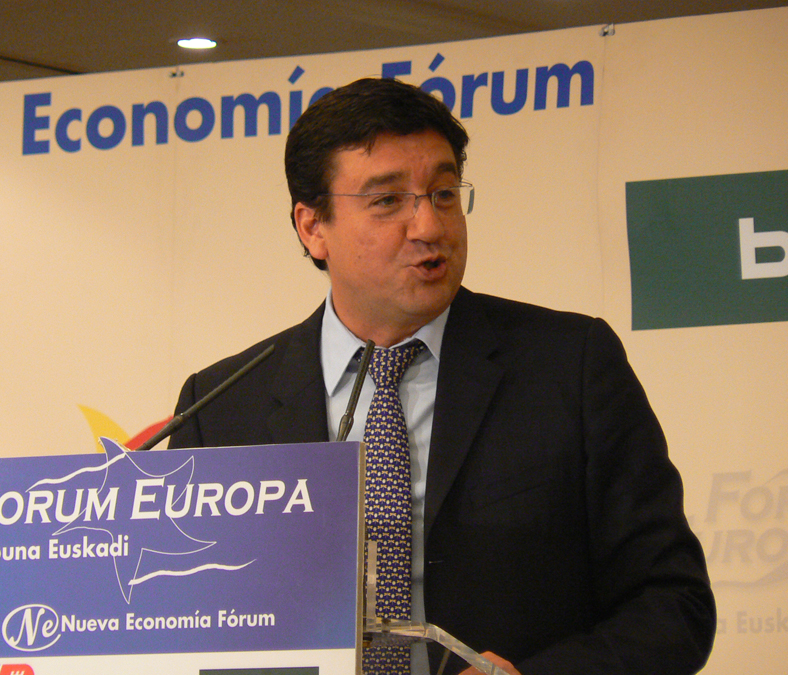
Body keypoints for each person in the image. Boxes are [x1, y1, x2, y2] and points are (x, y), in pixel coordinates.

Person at [169, 77, 715, 675]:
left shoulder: (570, 367)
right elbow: (180, 625)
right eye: (387, 201)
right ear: (312, 226)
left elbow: (672, 604)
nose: (429, 226)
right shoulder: (219, 409)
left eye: (444, 193)